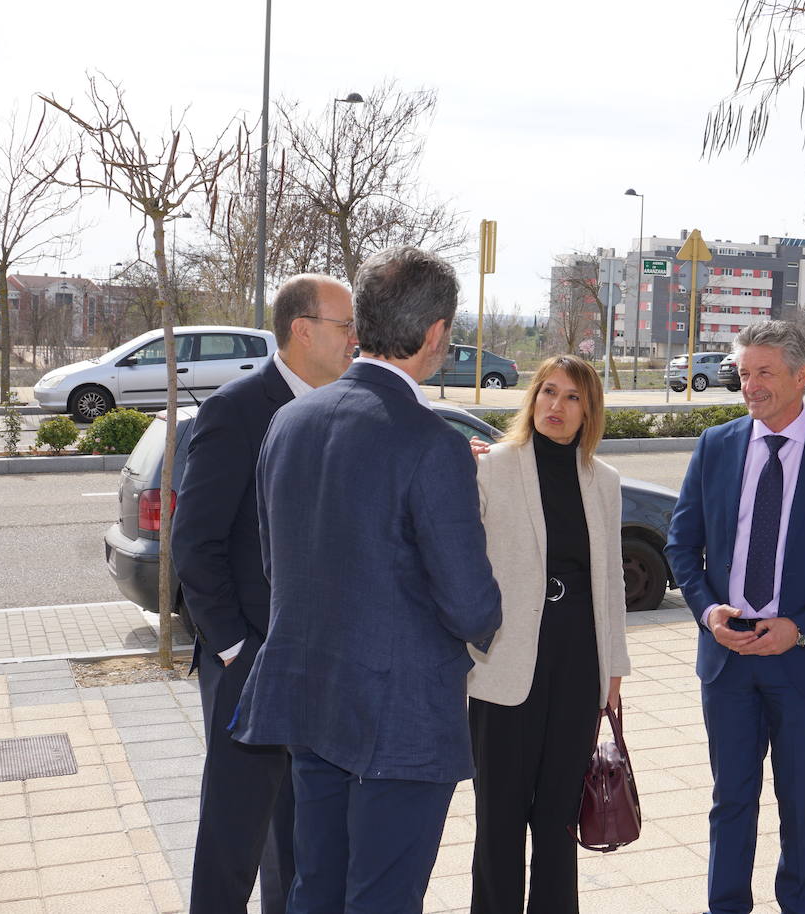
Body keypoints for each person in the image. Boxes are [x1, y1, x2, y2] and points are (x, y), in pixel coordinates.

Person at [233, 246, 503, 914]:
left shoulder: (290, 421)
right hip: (400, 719)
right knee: (382, 898)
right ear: (436, 335)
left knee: (315, 887)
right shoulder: (430, 443)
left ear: (365, 325)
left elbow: (277, 565)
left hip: (309, 699)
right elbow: (473, 606)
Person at [665, 320, 805, 914]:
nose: (750, 386)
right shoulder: (716, 446)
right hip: (728, 659)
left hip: (800, 661)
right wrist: (708, 613)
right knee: (730, 798)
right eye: (743, 374)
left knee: (800, 801)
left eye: (763, 373)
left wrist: (800, 626)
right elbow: (682, 547)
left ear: (801, 376)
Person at [172, 274, 356, 914]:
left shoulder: (340, 408)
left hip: (320, 665)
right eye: (345, 326)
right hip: (248, 665)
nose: (355, 339)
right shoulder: (236, 410)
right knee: (233, 837)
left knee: (301, 843)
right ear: (303, 330)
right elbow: (195, 544)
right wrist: (234, 649)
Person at [466, 354, 631, 914]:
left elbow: (609, 582)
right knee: (499, 817)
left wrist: (612, 671)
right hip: (506, 664)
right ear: (532, 398)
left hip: (576, 665)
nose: (555, 406)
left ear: (589, 412)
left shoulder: (602, 481)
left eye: (572, 397)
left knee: (560, 816)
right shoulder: (491, 467)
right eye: (547, 393)